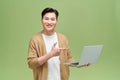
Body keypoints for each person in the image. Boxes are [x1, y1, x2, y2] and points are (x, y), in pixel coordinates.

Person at [27, 7, 89, 80]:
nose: (49, 22)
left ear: (56, 21)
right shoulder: (35, 39)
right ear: (41, 20)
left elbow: (68, 58)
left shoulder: (63, 38)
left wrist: (79, 64)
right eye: (46, 19)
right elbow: (31, 63)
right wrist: (51, 54)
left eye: (52, 19)